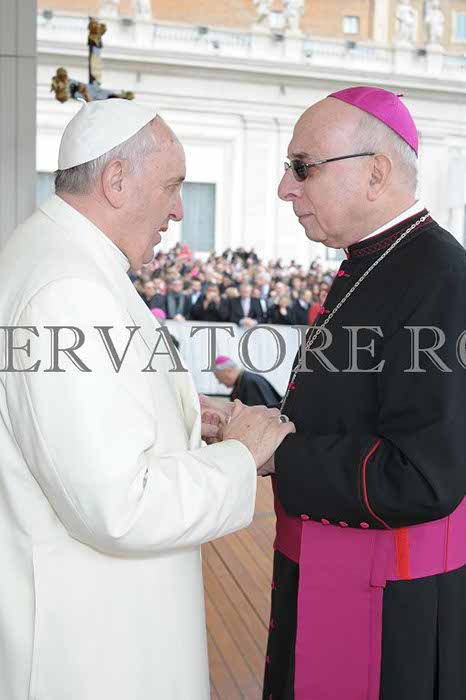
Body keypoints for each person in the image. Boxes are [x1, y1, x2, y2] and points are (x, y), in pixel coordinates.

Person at [0, 99, 295, 700]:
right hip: (93, 650)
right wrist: (240, 456)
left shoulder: (62, 258)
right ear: (115, 181)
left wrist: (184, 418)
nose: (179, 210)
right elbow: (117, 506)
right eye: (172, 186)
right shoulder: (68, 290)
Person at [261, 86, 466, 700]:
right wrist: (265, 425)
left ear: (376, 172)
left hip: (389, 603)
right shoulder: (374, 260)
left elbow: (422, 474)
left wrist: (278, 453)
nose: (286, 188)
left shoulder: (442, 278)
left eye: (303, 168)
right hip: (333, 564)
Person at [214, 356, 282, 407]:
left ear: (228, 370)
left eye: (219, 378)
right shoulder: (240, 382)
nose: (220, 382)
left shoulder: (250, 382)